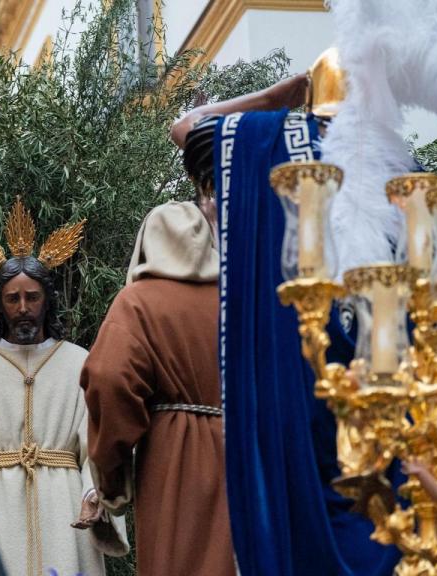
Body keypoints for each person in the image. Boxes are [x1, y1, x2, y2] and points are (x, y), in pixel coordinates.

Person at [169, 50, 402, 576]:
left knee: (297, 508)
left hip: (291, 369)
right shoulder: (401, 170)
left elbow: (188, 127)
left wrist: (276, 96)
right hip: (384, 379)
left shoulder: (269, 142)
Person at [0, 199, 127, 576]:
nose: (23, 307)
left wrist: (95, 493)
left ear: (47, 300)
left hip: (63, 508)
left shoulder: (79, 363)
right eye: (13, 298)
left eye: (32, 297)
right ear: (0, 303)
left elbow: (99, 446)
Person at [81, 201, 235, 576]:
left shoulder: (138, 302)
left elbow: (108, 377)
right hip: (246, 450)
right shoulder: (240, 300)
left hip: (175, 454)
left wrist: (113, 473)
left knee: (178, 558)